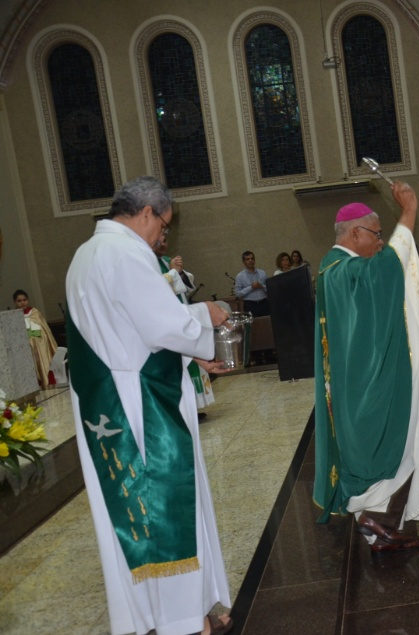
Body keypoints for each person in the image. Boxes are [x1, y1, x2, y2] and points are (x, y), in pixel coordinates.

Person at [65, 176, 233, 635]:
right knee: (162, 506)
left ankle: (173, 612)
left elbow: (131, 329)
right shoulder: (124, 254)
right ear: (145, 213)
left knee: (139, 514)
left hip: (113, 397)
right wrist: (208, 315)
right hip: (138, 408)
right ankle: (182, 620)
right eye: (164, 225)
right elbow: (163, 325)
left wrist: (197, 352)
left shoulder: (87, 254)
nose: (165, 235)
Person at [312, 183, 419, 552]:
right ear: (354, 233)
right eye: (376, 235)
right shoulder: (341, 271)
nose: (380, 242)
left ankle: (378, 527)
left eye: (383, 236)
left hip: (362, 380)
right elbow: (385, 269)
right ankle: (373, 520)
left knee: (414, 440)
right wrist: (408, 213)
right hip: (367, 386)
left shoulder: (335, 269)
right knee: (398, 444)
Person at [154, 238, 215, 411]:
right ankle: (184, 408)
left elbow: (187, 283)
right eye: (160, 242)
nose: (164, 245)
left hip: (183, 316)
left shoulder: (166, 261)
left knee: (192, 364)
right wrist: (174, 272)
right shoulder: (146, 263)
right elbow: (159, 287)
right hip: (168, 323)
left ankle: (195, 407)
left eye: (166, 241)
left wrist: (179, 273)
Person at [13, 290, 57, 389]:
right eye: (19, 301)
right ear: (15, 302)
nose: (22, 303)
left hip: (38, 346)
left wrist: (32, 335)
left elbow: (44, 331)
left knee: (42, 367)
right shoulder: (13, 316)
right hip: (22, 348)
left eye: (24, 300)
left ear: (28, 300)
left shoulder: (35, 313)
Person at [234, 251, 268, 317]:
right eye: (247, 259)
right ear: (244, 262)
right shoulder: (240, 276)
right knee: (253, 326)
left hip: (264, 303)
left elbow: (270, 288)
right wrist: (251, 287)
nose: (250, 261)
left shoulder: (262, 273)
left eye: (252, 258)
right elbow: (238, 294)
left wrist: (262, 286)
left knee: (267, 324)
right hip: (250, 305)